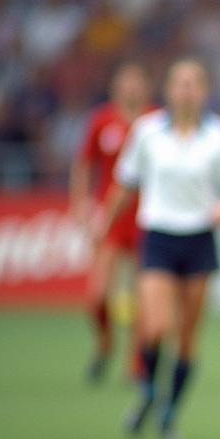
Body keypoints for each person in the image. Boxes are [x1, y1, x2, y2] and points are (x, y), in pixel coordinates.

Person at [97, 59, 220, 439]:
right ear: (168, 90)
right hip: (158, 236)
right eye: (179, 83)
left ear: (204, 91)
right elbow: (125, 183)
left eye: (193, 83)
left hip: (200, 239)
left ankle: (169, 414)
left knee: (187, 338)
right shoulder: (148, 132)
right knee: (153, 329)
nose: (186, 90)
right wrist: (102, 225)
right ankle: (149, 393)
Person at [70, 62, 153, 382]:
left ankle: (134, 363)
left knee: (142, 296)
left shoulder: (157, 119)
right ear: (116, 86)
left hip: (147, 218)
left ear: (147, 86)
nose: (131, 88)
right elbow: (83, 163)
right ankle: (105, 344)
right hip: (111, 218)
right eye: (125, 81)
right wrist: (80, 204)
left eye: (137, 82)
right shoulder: (102, 120)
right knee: (97, 297)